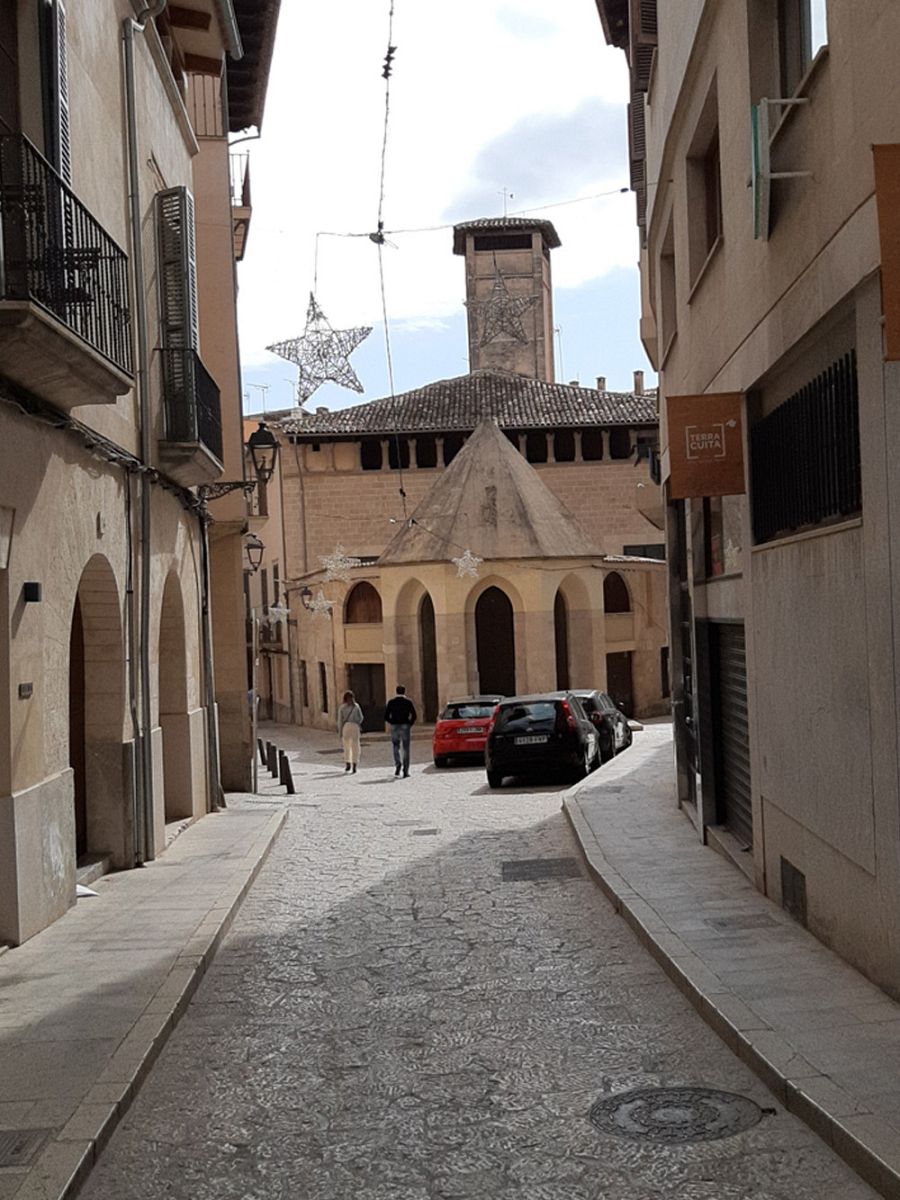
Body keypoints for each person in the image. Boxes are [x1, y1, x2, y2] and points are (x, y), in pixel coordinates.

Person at [384, 685, 417, 778]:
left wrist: (392, 722)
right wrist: (409, 724)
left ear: (396, 692)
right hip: (405, 725)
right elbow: (414, 715)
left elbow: (386, 716)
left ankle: (398, 764)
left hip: (395, 726)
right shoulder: (408, 702)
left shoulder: (391, 702)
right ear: (404, 692)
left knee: (395, 746)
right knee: (406, 748)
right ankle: (405, 770)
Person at [337, 690, 364, 774]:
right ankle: (355, 764)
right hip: (355, 726)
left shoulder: (342, 707)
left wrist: (340, 731)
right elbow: (361, 718)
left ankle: (347, 763)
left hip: (346, 727)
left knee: (346, 746)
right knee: (355, 746)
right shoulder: (356, 706)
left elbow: (340, 720)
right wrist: (357, 723)